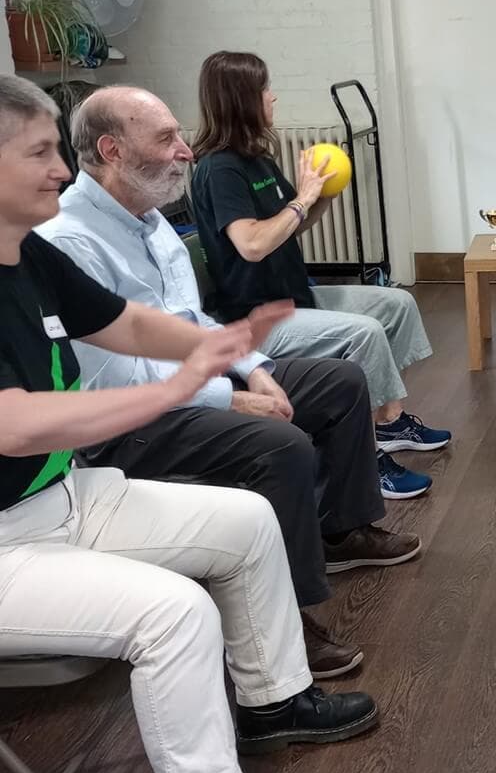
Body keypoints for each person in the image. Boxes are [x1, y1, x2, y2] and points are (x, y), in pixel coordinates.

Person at [0, 74, 378, 773]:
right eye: (38, 153)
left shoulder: (25, 254)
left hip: (58, 501)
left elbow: (127, 322)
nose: (61, 171)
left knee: (245, 523)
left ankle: (275, 700)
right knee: (175, 612)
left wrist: (223, 348)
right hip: (6, 543)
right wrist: (174, 392)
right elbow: (16, 425)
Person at [37, 86, 423, 680]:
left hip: (195, 384)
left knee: (341, 382)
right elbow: (119, 378)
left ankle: (342, 529)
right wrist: (232, 396)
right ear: (112, 151)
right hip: (134, 422)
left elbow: (196, 323)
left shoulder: (152, 221)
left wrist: (256, 368)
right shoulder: (71, 241)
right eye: (165, 139)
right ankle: (281, 622)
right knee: (282, 446)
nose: (185, 151)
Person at [189, 50, 450, 500]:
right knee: (365, 333)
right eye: (264, 89)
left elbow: (294, 222)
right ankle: (367, 457)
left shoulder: (256, 159)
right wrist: (303, 196)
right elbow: (251, 244)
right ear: (242, 99)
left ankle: (389, 422)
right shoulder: (219, 169)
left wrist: (322, 194)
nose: (273, 97)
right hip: (256, 318)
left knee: (397, 303)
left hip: (295, 297)